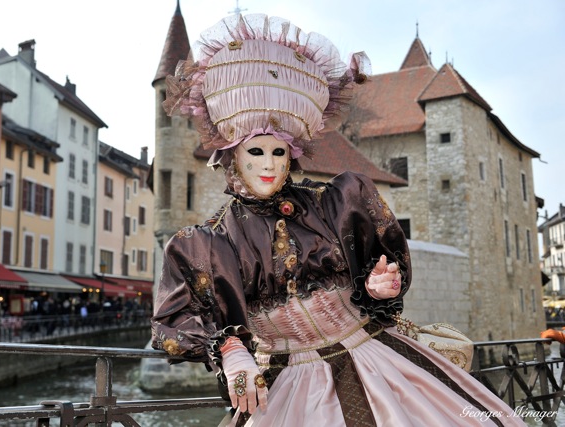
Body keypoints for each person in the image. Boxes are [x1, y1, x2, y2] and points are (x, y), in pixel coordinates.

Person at [151, 13, 525, 426]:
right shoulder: (209, 243)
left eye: (279, 153)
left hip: (376, 362)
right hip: (285, 389)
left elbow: (375, 279)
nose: (269, 166)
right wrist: (230, 350)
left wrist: (378, 287)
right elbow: (174, 322)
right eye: (256, 152)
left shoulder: (333, 204)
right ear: (233, 156)